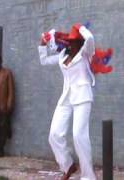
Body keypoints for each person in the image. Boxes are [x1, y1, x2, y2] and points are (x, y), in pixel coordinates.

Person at [38, 23, 96, 180]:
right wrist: (42, 44)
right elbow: (44, 60)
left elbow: (90, 37)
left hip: (83, 97)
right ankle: (68, 165)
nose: (72, 43)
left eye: (75, 41)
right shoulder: (63, 55)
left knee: (79, 135)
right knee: (54, 134)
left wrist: (80, 27)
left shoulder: (86, 53)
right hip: (66, 98)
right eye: (70, 41)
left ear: (81, 42)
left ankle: (88, 176)